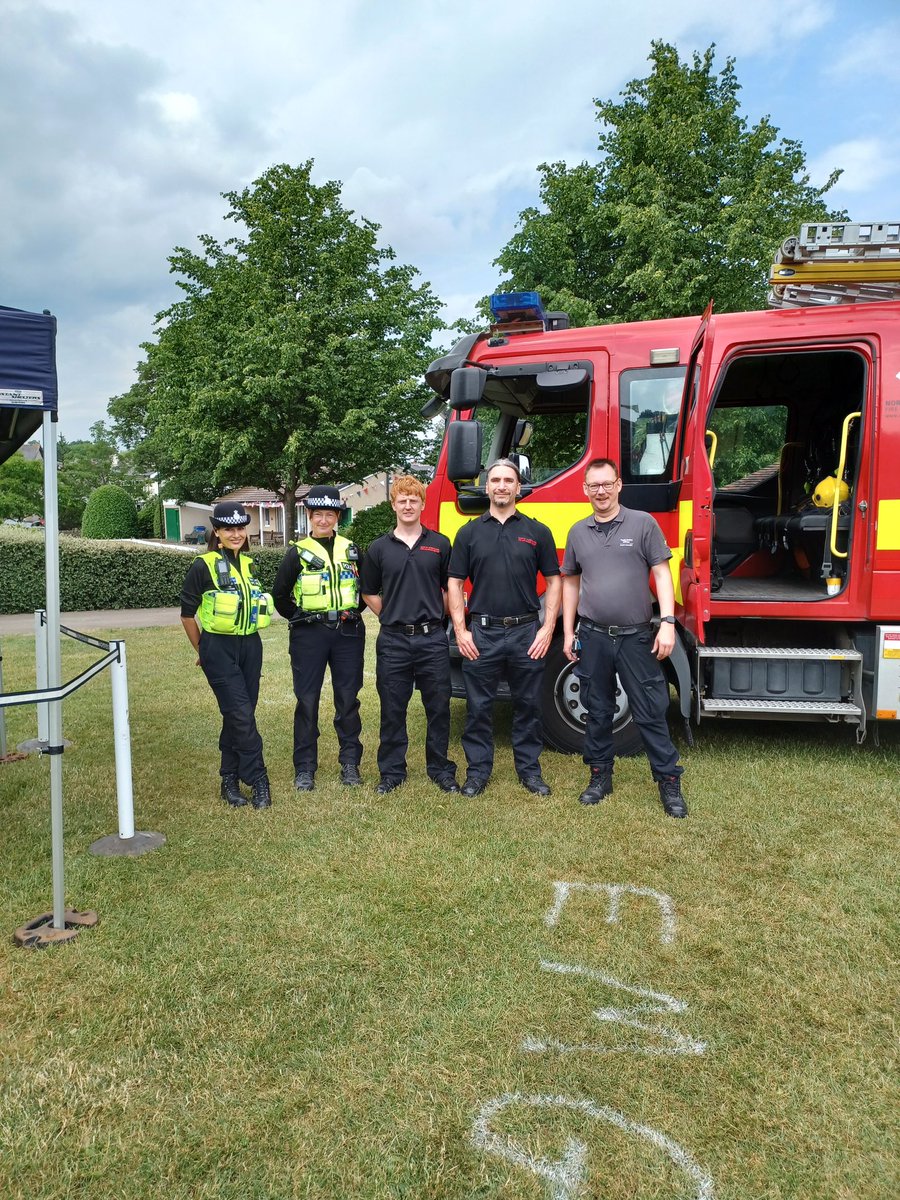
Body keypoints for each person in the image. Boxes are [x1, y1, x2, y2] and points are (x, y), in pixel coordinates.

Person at [561, 458, 687, 818]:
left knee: (649, 710)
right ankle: (600, 776)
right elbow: (570, 583)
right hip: (593, 636)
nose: (600, 491)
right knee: (597, 710)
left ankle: (668, 781)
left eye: (606, 484)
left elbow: (662, 575)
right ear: (585, 490)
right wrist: (569, 632)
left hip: (635, 637)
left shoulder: (643, 523)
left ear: (618, 485)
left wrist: (667, 622)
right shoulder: (577, 532)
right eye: (593, 486)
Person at [447, 458, 561, 797]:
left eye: (507, 480)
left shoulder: (536, 531)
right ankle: (478, 773)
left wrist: (547, 628)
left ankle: (530, 773)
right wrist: (461, 631)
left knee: (529, 705)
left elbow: (555, 582)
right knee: (478, 706)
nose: (501, 486)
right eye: (495, 479)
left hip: (527, 632)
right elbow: (454, 584)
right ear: (486, 487)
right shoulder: (468, 533)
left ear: (518, 487)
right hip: (482, 633)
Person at [360, 475, 458, 796]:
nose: (407, 505)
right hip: (393, 641)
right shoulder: (379, 548)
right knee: (392, 708)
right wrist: (389, 614)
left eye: (413, 500)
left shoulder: (440, 544)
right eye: (401, 500)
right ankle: (391, 772)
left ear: (422, 504)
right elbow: (369, 592)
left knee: (439, 708)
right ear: (393, 504)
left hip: (432, 640)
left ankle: (440, 769)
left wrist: (438, 613)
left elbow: (449, 589)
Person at [180, 500, 273, 810]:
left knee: (237, 715)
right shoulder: (202, 565)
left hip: (250, 646)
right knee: (242, 715)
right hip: (218, 648)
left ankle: (228, 780)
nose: (236, 534)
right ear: (217, 532)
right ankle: (258, 779)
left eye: (240, 528)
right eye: (228, 529)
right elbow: (187, 615)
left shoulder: (249, 564)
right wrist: (202, 650)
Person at [273, 485, 364, 791]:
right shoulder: (297, 553)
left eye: (330, 514)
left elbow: (364, 593)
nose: (324, 520)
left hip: (348, 633)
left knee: (348, 700)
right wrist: (301, 618)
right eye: (318, 515)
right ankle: (305, 767)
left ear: (337, 516)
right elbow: (280, 596)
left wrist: (349, 612)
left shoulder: (352, 550)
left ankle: (350, 763)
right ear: (309, 516)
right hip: (309, 635)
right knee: (307, 700)